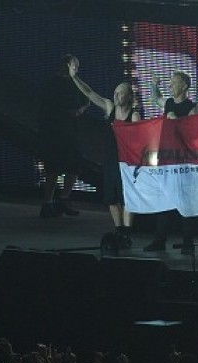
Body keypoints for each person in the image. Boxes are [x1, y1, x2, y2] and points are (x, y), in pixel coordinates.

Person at [70, 69, 140, 249]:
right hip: (109, 161)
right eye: (115, 93)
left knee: (126, 199)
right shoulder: (109, 107)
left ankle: (127, 233)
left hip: (126, 163)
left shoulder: (134, 115)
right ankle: (118, 230)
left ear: (129, 96)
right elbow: (89, 92)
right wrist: (74, 77)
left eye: (121, 93)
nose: (117, 96)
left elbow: (141, 139)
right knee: (110, 198)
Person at [144, 71, 198, 254]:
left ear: (184, 86)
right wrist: (154, 84)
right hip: (166, 158)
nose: (171, 86)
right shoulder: (168, 103)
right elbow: (157, 99)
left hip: (183, 161)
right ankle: (160, 240)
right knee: (163, 199)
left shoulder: (193, 108)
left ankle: (188, 243)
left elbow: (194, 133)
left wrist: (178, 122)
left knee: (185, 201)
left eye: (174, 83)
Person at [36, 54, 90, 218]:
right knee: (54, 167)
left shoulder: (73, 85)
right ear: (68, 65)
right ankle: (51, 202)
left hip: (67, 131)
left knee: (71, 164)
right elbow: (45, 108)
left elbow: (86, 99)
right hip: (55, 132)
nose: (77, 70)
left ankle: (60, 200)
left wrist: (80, 110)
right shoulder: (52, 84)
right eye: (75, 66)